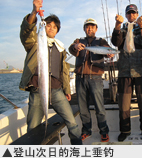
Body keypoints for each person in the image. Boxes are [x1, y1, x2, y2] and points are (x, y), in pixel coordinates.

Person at [19, 0, 82, 145]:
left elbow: (64, 72)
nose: (51, 28)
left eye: (54, 27)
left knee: (72, 122)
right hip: (37, 90)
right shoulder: (35, 42)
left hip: (56, 91)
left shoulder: (60, 48)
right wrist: (34, 12)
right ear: (43, 27)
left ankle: (78, 148)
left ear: (57, 30)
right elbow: (26, 32)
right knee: (33, 128)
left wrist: (66, 89)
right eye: (48, 25)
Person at [111, 4, 142, 142]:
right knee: (123, 104)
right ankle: (125, 130)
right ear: (126, 15)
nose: (131, 15)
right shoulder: (121, 30)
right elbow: (115, 42)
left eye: (134, 13)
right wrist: (117, 25)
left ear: (137, 14)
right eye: (129, 13)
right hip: (124, 72)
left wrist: (141, 27)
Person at [69, 18, 114, 142]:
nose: (90, 29)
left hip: (95, 78)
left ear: (96, 29)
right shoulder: (78, 41)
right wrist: (75, 46)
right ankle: (86, 130)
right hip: (80, 78)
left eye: (92, 27)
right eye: (87, 27)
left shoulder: (101, 41)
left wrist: (110, 54)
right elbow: (71, 48)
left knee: (99, 107)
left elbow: (107, 50)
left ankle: (104, 131)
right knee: (83, 107)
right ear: (84, 29)